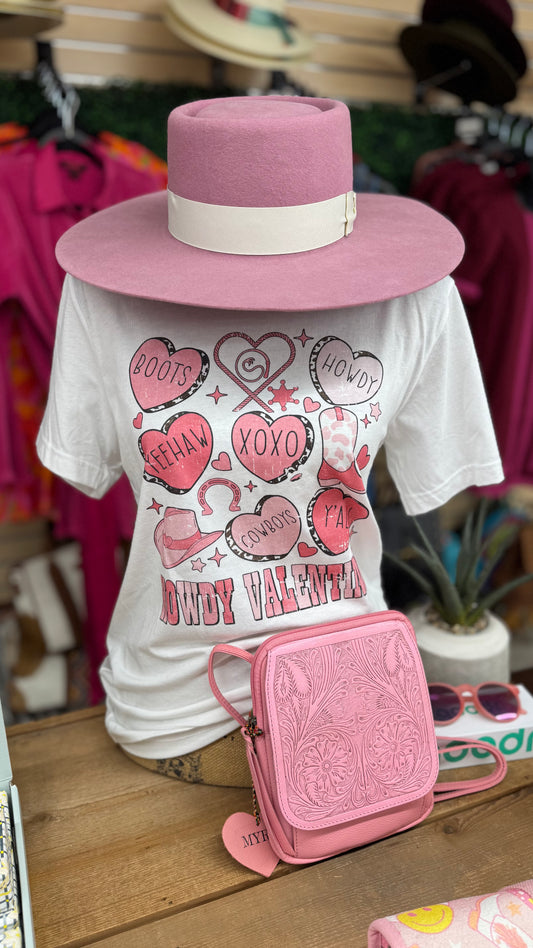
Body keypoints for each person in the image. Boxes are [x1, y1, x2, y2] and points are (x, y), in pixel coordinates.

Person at [37, 95, 503, 787]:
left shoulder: (417, 299)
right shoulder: (99, 297)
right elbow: (86, 462)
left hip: (348, 697)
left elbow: (432, 469)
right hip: (170, 709)